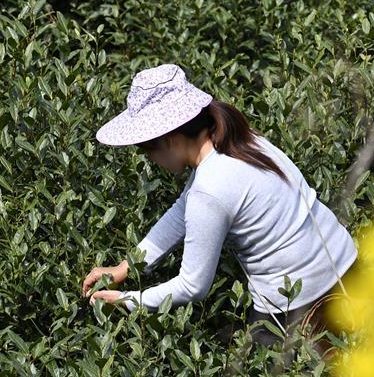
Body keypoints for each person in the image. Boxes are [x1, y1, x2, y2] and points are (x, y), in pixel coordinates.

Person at [81, 64, 357, 347]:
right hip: (346, 265)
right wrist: (126, 267)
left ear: (171, 139)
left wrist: (128, 301)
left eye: (147, 150)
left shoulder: (210, 188)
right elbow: (182, 211)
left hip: (300, 302)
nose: (150, 160)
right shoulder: (239, 141)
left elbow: (192, 286)